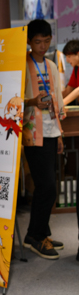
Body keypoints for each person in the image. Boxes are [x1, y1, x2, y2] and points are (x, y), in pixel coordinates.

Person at [22, 19, 65, 260]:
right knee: (46, 186)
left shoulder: (51, 65)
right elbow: (13, 99)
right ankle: (36, 236)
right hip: (32, 133)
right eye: (38, 41)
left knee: (48, 186)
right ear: (29, 41)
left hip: (50, 131)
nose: (42, 46)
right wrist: (32, 102)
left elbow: (56, 99)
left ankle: (39, 233)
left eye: (46, 41)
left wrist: (59, 133)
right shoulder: (21, 64)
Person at [61, 40, 79, 259]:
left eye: (69, 56)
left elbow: (76, 91)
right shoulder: (75, 69)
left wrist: (61, 103)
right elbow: (70, 88)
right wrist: (59, 97)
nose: (67, 60)